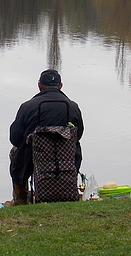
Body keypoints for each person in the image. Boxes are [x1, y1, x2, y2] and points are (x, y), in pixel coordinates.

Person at [9, 69, 83, 205]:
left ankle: (20, 198)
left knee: (14, 152)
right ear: (61, 86)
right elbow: (78, 136)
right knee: (75, 147)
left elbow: (14, 138)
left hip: (32, 159)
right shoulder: (73, 106)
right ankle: (67, 190)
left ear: (39, 85)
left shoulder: (27, 106)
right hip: (66, 159)